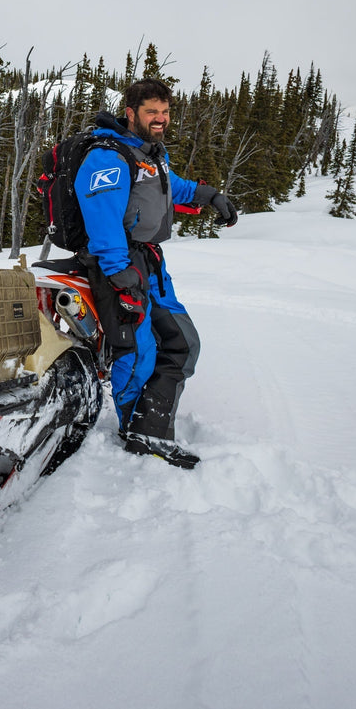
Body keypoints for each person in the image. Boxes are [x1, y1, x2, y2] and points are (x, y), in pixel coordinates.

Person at [74, 78, 238, 468]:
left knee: (183, 342)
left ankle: (148, 426)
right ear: (130, 113)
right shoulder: (107, 157)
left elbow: (170, 187)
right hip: (116, 263)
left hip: (148, 262)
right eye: (152, 112)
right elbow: (103, 221)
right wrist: (120, 275)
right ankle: (139, 433)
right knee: (138, 351)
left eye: (164, 112)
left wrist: (208, 195)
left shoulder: (149, 154)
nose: (161, 119)